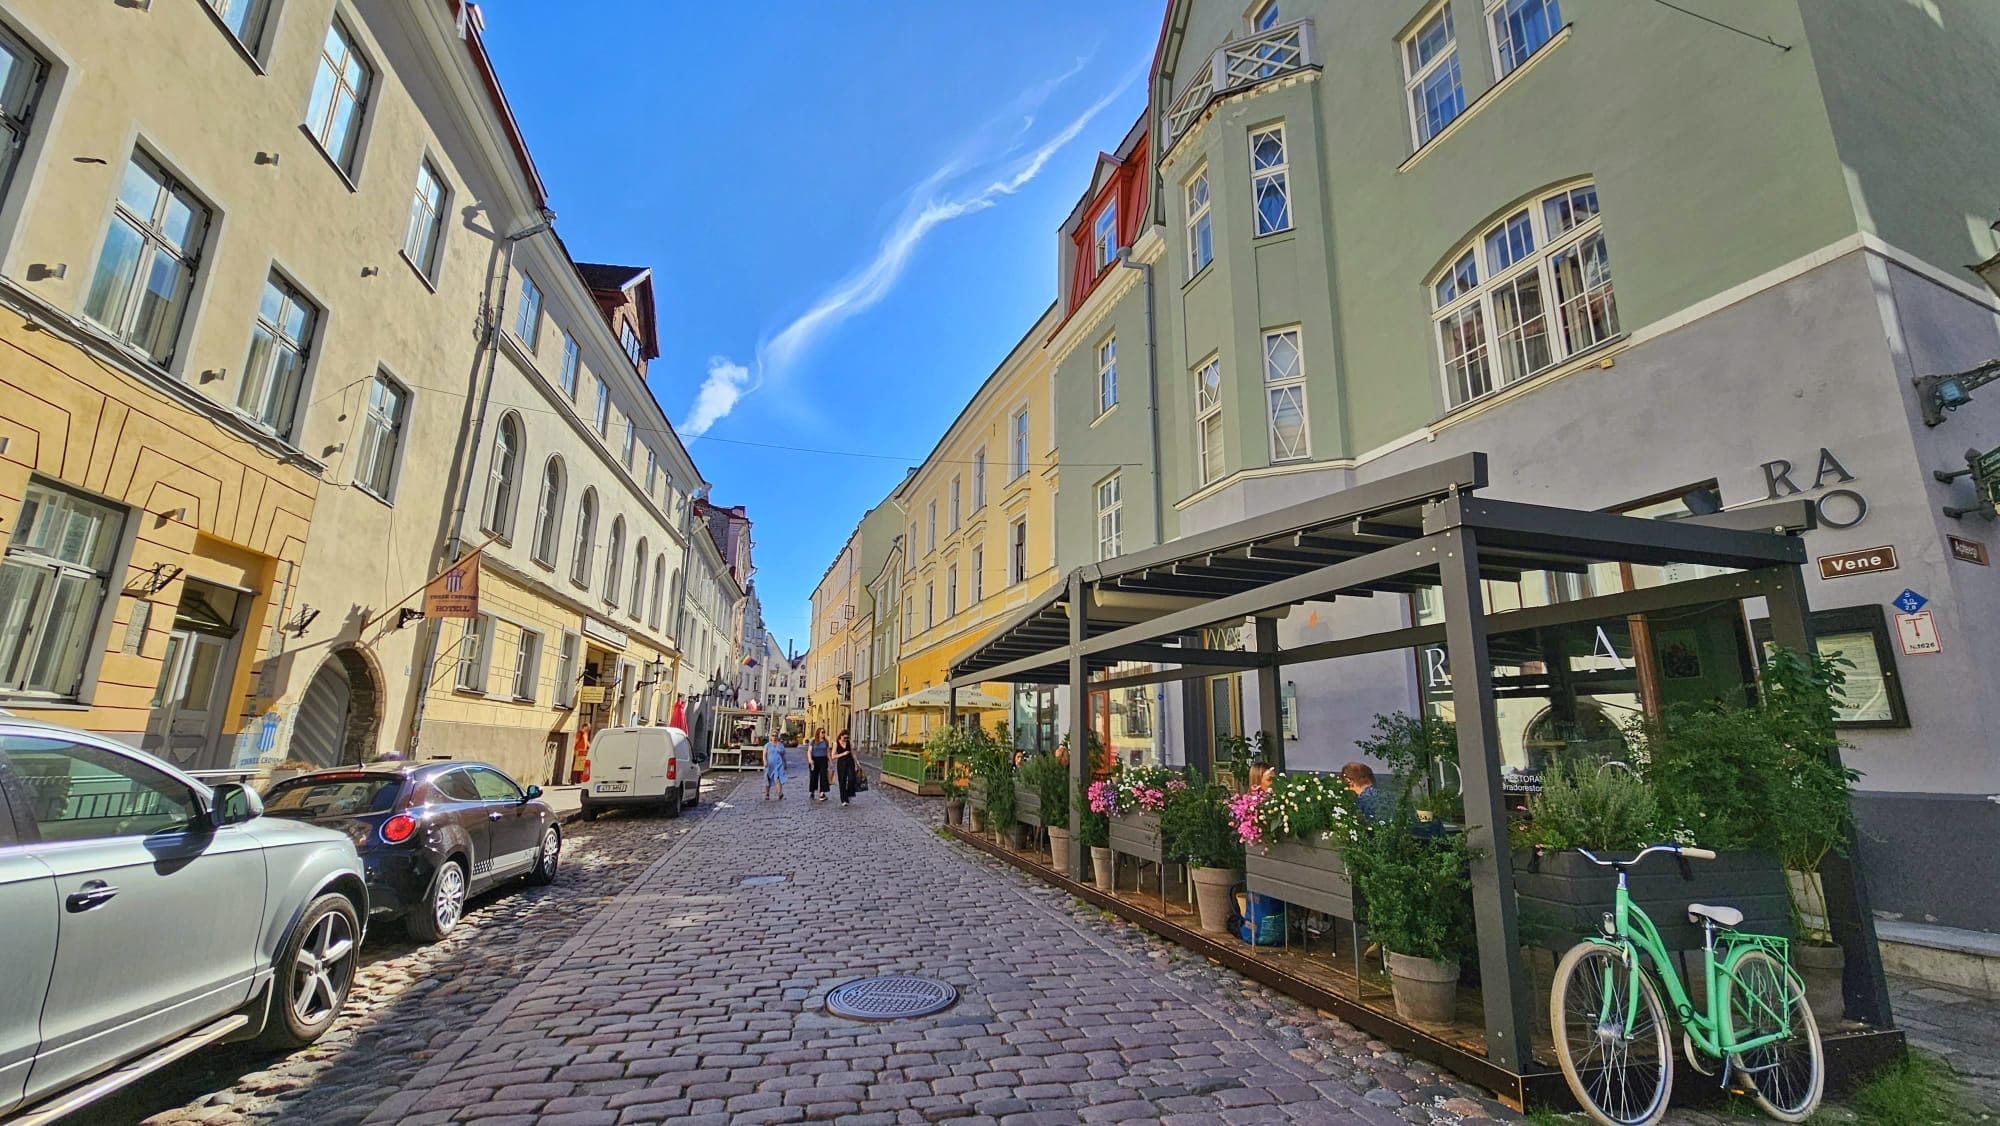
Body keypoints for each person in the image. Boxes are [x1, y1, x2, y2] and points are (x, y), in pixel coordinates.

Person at [831, 730, 858, 806]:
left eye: (847, 738)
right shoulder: (836, 743)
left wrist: (857, 763)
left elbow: (853, 753)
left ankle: (849, 793)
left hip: (850, 762)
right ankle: (843, 799)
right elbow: (833, 756)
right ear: (841, 736)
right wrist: (843, 754)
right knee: (842, 781)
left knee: (851, 778)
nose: (846, 739)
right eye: (845, 737)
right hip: (841, 763)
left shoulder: (849, 743)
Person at [807, 729, 832, 801]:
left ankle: (822, 792)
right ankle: (812, 791)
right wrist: (810, 759)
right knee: (813, 776)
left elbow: (828, 752)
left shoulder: (826, 742)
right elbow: (809, 751)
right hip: (814, 760)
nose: (823, 734)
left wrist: (830, 762)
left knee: (823, 776)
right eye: (822, 732)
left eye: (824, 732)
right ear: (818, 733)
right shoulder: (813, 741)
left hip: (823, 760)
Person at [763, 729, 787, 800]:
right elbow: (764, 755)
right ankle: (767, 794)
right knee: (768, 779)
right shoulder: (767, 745)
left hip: (778, 764)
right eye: (773, 736)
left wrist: (785, 763)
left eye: (776, 736)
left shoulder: (780, 745)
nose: (774, 737)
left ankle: (779, 793)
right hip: (770, 765)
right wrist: (765, 761)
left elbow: (783, 755)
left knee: (778, 778)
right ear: (771, 737)